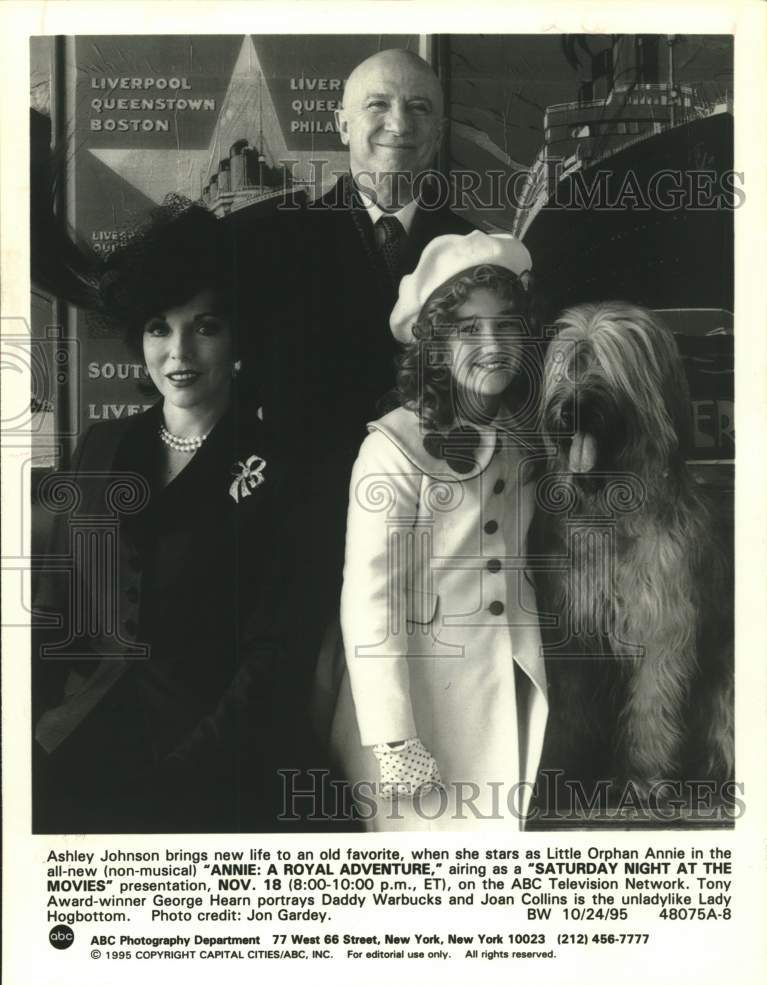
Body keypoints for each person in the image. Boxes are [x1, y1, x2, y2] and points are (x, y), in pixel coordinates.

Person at [32, 201, 313, 833]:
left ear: (238, 335)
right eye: (159, 328)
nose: (179, 351)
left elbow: (276, 654)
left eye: (204, 326)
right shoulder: (102, 448)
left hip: (219, 768)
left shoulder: (280, 468)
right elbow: (55, 609)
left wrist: (183, 773)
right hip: (82, 745)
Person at [229, 50, 473, 671]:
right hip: (296, 540)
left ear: (439, 131)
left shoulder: (475, 254)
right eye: (379, 104)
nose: (400, 121)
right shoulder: (269, 242)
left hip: (434, 545)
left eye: (420, 107)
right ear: (341, 125)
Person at [324, 230, 549, 830]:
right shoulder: (392, 450)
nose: (493, 344)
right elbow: (370, 602)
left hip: (502, 691)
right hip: (417, 713)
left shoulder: (525, 440)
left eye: (505, 325)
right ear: (434, 346)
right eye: (468, 330)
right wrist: (393, 738)